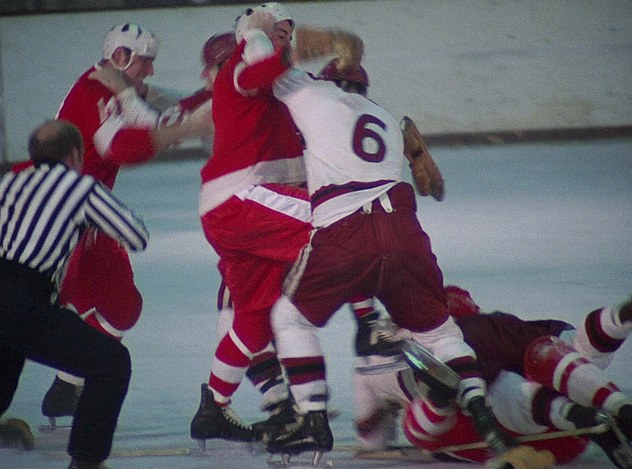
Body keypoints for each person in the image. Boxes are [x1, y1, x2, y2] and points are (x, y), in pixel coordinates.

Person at [233, 26, 554, 466]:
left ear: (327, 80)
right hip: (402, 227)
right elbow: (428, 178)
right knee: (442, 334)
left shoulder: (312, 96)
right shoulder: (385, 118)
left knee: (289, 318)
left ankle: (312, 419)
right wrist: (420, 157)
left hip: (344, 227)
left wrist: (260, 32)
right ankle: (490, 428)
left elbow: (265, 66)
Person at [188, 3, 384, 445]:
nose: (285, 37)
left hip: (239, 207)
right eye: (278, 30)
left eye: (288, 31)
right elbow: (262, 71)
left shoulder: (274, 79)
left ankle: (213, 407)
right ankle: (369, 324)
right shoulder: (244, 65)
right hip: (243, 199)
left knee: (254, 319)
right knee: (339, 224)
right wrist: (324, 42)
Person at [0, 120, 149, 469]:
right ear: (75, 155)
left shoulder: (0, 185)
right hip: (20, 294)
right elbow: (135, 235)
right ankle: (87, 463)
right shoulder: (79, 187)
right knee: (111, 364)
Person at [350, 286, 632, 469]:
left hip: (496, 412)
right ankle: (622, 319)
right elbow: (469, 310)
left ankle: (439, 398)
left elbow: (372, 440)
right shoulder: (467, 314)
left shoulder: (371, 362)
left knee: (432, 423)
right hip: (509, 341)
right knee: (558, 351)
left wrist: (385, 417)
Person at [35, 22, 165, 424]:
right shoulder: (97, 93)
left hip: (88, 215)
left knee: (121, 306)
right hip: (58, 217)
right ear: (121, 58)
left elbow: (158, 103)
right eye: (145, 62)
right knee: (31, 313)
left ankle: (67, 384)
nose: (150, 70)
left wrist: (215, 97)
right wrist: (182, 125)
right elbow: (130, 142)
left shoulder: (110, 85)